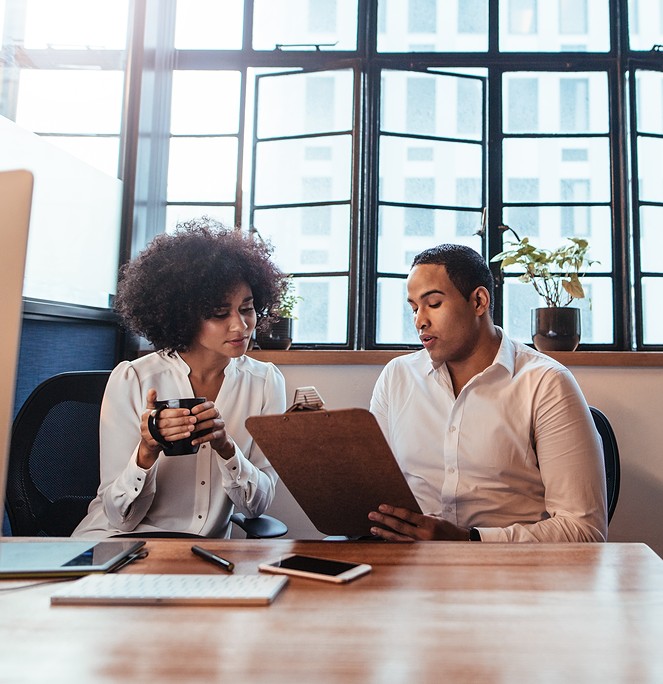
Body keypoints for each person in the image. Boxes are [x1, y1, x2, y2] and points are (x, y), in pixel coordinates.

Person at [368, 243, 607, 543]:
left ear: (479, 301)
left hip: (512, 574)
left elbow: (584, 529)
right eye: (414, 308)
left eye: (434, 304)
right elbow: (372, 493)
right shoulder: (396, 377)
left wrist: (469, 539)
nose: (419, 321)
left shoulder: (547, 383)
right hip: (407, 569)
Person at [73, 219, 288, 538]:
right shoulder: (133, 379)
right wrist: (147, 451)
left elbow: (257, 506)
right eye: (220, 314)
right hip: (120, 544)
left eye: (247, 308)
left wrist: (227, 448)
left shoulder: (266, 382)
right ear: (182, 315)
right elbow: (119, 516)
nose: (241, 326)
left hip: (202, 556)